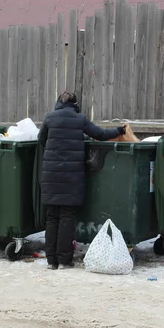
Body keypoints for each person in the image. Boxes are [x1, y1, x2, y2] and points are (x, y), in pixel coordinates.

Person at [38, 91, 126, 270]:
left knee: (51, 218)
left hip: (51, 176)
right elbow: (100, 134)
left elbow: (41, 140)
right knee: (67, 217)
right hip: (71, 177)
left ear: (58, 103)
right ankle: (64, 260)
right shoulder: (80, 119)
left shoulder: (49, 118)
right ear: (75, 104)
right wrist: (120, 130)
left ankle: (51, 261)